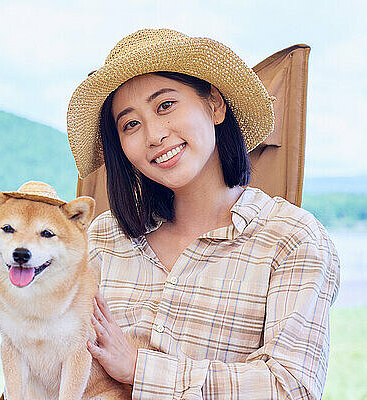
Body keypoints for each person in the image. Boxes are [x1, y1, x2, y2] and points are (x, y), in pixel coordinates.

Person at [66, 29, 340, 400]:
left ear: (214, 105)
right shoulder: (102, 238)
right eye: (130, 124)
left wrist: (138, 368)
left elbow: (291, 388)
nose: (153, 135)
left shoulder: (291, 238)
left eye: (165, 105)